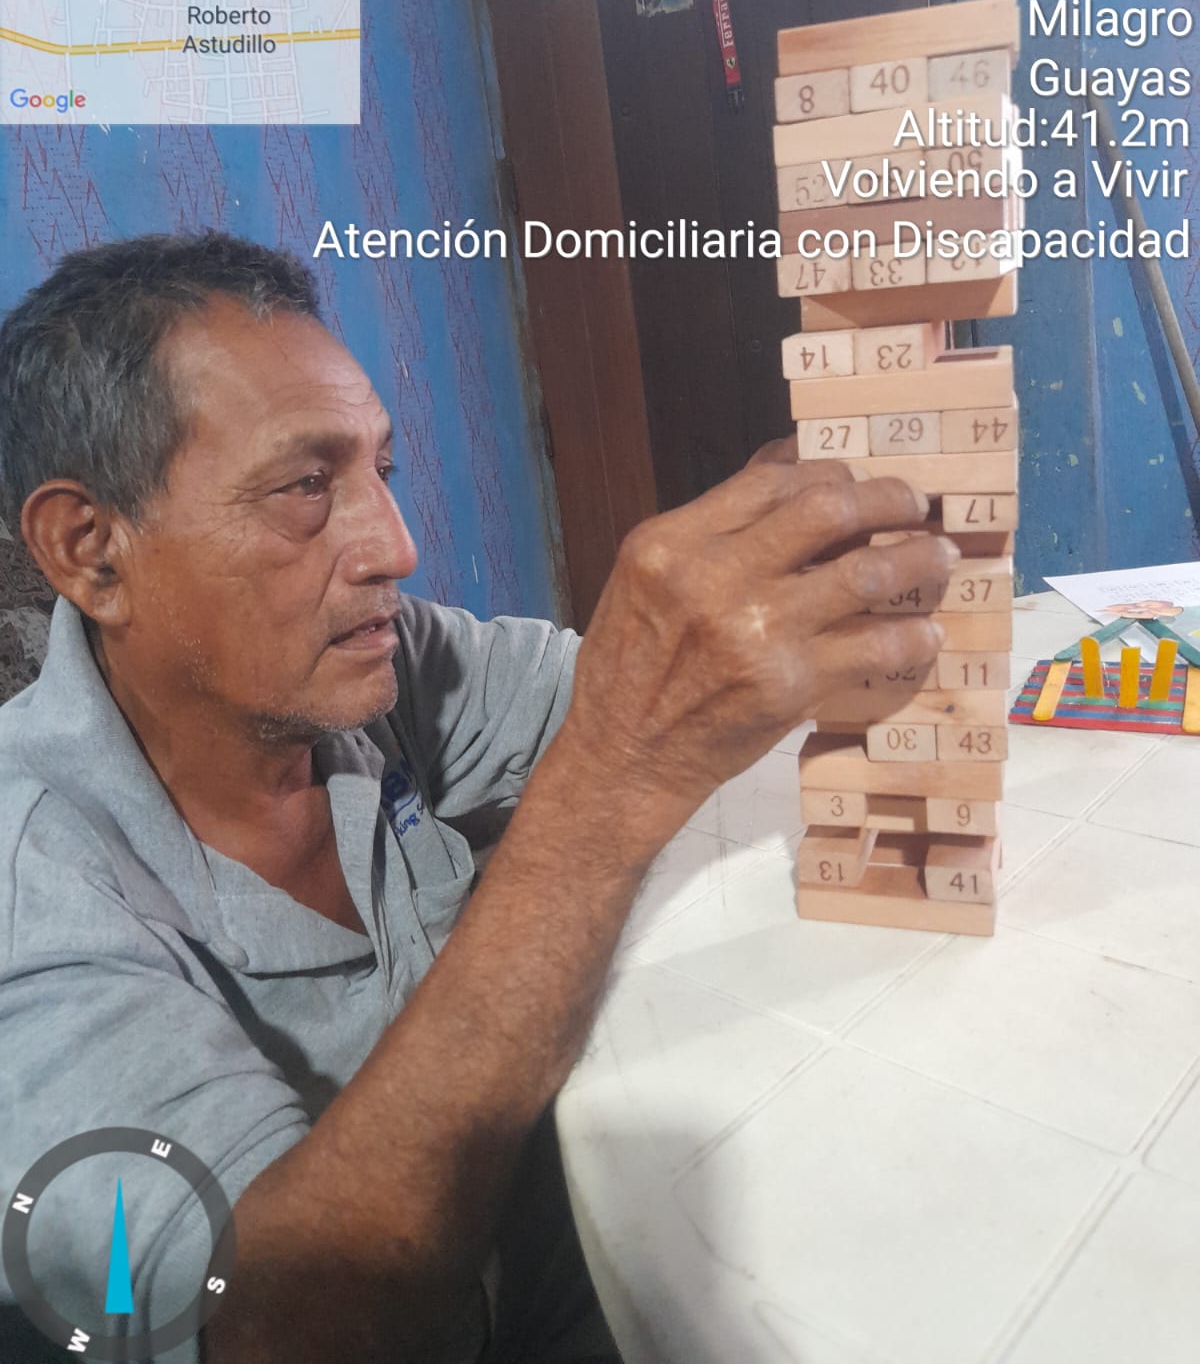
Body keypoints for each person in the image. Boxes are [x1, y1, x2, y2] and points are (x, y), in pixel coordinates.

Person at [0, 232, 955, 1363]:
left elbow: (652, 693)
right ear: (90, 549)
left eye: (381, 470)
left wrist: (804, 541)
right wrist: (610, 783)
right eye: (306, 487)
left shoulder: (378, 664)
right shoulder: (34, 880)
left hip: (607, 1261)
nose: (395, 547)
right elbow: (278, 1325)